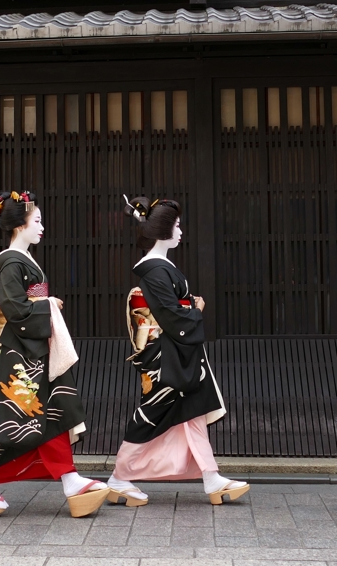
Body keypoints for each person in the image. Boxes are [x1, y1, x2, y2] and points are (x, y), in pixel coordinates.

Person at [0, 191, 107, 520]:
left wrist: (44, 305)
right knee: (24, 419)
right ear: (19, 226)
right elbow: (15, 308)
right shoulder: (11, 262)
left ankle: (67, 481)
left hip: (31, 349)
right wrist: (47, 305)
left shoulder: (17, 260)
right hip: (21, 353)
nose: (42, 227)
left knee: (47, 413)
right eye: (36, 221)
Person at [106, 196, 249, 507]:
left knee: (193, 410)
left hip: (174, 350)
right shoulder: (154, 271)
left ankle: (211, 477)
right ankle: (119, 477)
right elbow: (171, 315)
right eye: (177, 225)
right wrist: (195, 310)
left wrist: (189, 310)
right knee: (152, 413)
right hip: (163, 354)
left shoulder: (160, 267)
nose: (181, 231)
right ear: (162, 230)